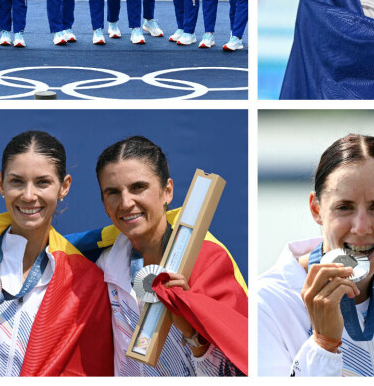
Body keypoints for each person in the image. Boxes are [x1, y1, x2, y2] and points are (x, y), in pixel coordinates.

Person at [0, 131, 113, 376]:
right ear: (0, 183)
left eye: (42, 182)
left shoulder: (86, 285)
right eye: (16, 181)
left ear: (64, 186)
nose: (28, 196)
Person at [69, 136, 248, 375]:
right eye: (113, 192)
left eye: (138, 188)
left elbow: (238, 371)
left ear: (167, 191)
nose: (126, 202)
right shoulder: (100, 268)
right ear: (104, 204)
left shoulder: (207, 263)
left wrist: (193, 336)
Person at [257, 134, 374, 376]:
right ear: (316, 209)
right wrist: (323, 344)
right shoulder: (268, 303)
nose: (360, 227)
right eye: (344, 207)